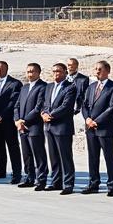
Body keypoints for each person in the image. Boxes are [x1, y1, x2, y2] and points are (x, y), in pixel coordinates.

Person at [81, 60, 113, 196]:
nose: (97, 71)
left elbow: (112, 108)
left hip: (105, 128)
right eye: (96, 69)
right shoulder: (91, 87)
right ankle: (93, 184)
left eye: (100, 69)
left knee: (109, 157)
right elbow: (84, 105)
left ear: (108, 71)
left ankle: (112, 186)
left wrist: (96, 121)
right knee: (93, 157)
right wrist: (87, 119)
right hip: (90, 128)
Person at [41, 63, 77, 195]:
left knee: (65, 157)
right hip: (49, 127)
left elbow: (66, 106)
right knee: (54, 157)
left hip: (62, 127)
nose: (56, 73)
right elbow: (45, 103)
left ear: (65, 73)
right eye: (54, 71)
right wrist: (43, 113)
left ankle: (68, 184)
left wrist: (50, 115)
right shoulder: (49, 86)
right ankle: (56, 182)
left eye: (59, 71)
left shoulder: (70, 87)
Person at [14, 63, 48, 190]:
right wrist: (17, 120)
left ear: (38, 72)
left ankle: (41, 180)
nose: (30, 74)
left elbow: (38, 107)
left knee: (39, 155)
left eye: (32, 71)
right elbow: (17, 105)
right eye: (28, 71)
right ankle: (29, 178)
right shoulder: (24, 87)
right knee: (26, 154)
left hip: (34, 126)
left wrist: (24, 121)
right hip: (22, 127)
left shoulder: (43, 87)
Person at [0, 61, 22, 184]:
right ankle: (1, 170)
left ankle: (17, 173)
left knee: (13, 147)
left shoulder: (15, 84)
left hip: (8, 121)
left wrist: (1, 116)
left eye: (0, 68)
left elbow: (13, 102)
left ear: (6, 69)